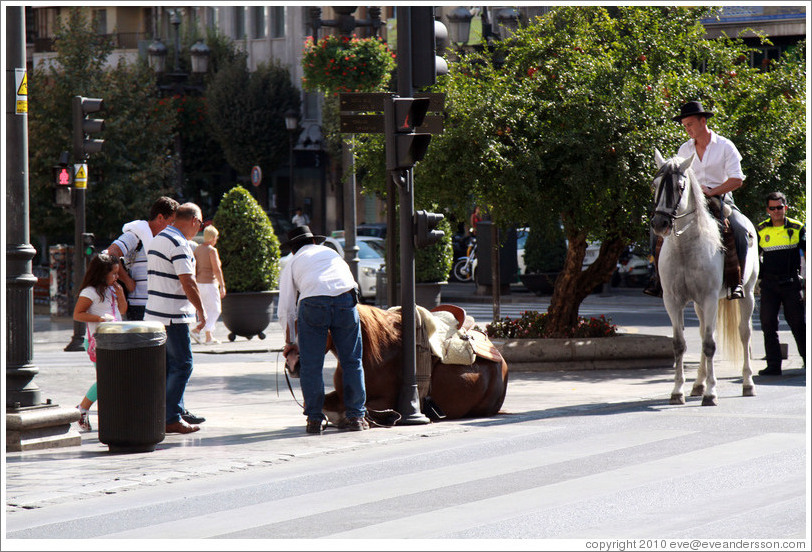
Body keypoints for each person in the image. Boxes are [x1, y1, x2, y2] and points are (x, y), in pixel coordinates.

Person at [645, 101, 749, 300]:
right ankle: (657, 279)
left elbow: (737, 180)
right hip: (691, 204)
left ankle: (737, 282)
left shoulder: (725, 146)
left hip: (721, 200)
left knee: (741, 229)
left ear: (703, 121)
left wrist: (712, 191)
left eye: (690, 124)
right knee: (656, 231)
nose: (687, 129)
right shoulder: (684, 150)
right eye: (684, 126)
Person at [277, 225, 367, 434]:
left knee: (311, 365)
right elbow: (351, 283)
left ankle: (315, 420)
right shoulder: (330, 253)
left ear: (293, 248)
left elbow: (287, 308)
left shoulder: (293, 262)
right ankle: (356, 417)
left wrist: (290, 342)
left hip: (313, 302)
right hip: (346, 298)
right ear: (314, 241)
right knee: (352, 361)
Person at [145, 203, 207, 434]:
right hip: (172, 315)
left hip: (156, 313)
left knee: (170, 366)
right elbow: (187, 281)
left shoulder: (161, 237)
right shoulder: (178, 242)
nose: (199, 228)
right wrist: (201, 310)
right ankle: (170, 417)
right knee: (183, 364)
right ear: (193, 220)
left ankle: (171, 412)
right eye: (200, 223)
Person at [73, 254, 128, 431]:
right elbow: (78, 314)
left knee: (112, 378)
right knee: (106, 378)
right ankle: (82, 409)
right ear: (102, 273)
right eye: (113, 273)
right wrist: (99, 318)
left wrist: (121, 296)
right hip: (98, 341)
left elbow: (122, 310)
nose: (117, 277)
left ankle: (87, 409)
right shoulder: (89, 292)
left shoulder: (112, 289)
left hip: (114, 339)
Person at [104, 196, 179, 321]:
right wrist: (127, 280)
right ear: (160, 218)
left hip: (162, 306)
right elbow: (111, 253)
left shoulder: (165, 239)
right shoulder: (136, 234)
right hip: (140, 306)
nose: (174, 227)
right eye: (172, 222)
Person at [756, 191, 806, 376]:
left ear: (785, 207)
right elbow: (754, 256)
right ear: (767, 209)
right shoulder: (761, 229)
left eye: (779, 207)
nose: (776, 211)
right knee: (768, 324)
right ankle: (773, 365)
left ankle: (807, 360)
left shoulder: (797, 227)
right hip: (769, 284)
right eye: (772, 208)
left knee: (798, 323)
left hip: (791, 283)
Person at [193, 224, 226, 345]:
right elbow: (216, 269)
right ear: (212, 238)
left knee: (206, 310)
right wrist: (222, 285)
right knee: (216, 309)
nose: (216, 239)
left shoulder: (198, 249)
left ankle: (208, 337)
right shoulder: (212, 250)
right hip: (210, 284)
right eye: (216, 237)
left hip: (199, 283)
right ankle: (198, 330)